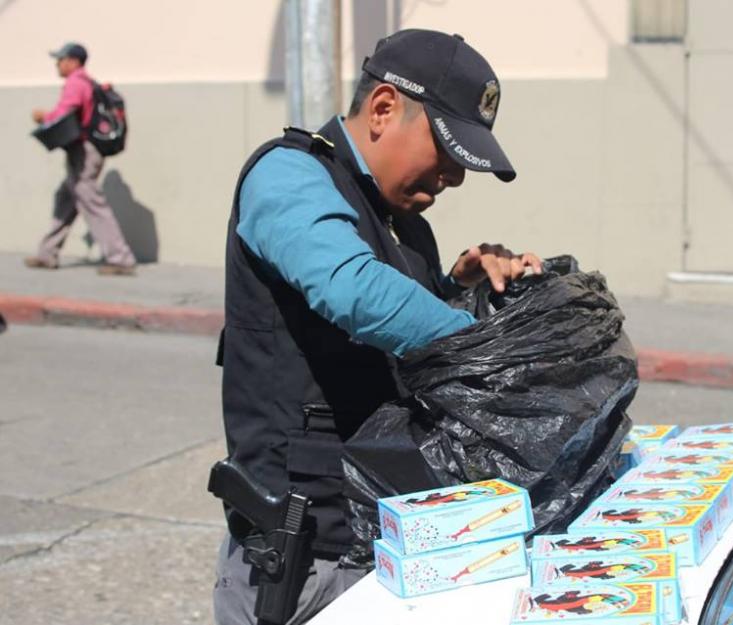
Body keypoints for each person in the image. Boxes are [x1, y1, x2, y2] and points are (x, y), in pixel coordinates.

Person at [213, 29, 541, 624]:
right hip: (305, 561)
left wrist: (464, 291)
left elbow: (404, 351)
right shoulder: (286, 174)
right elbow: (352, 289)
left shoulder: (405, 222)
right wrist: (493, 350)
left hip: (385, 538)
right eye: (448, 151)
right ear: (384, 108)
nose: (454, 177)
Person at [26, 42, 136, 276]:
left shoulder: (76, 83)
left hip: (84, 152)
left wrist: (44, 117)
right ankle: (47, 253)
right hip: (85, 150)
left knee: (91, 201)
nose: (58, 64)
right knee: (66, 198)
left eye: (61, 59)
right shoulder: (87, 82)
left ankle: (121, 258)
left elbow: (65, 112)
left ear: (74, 61)